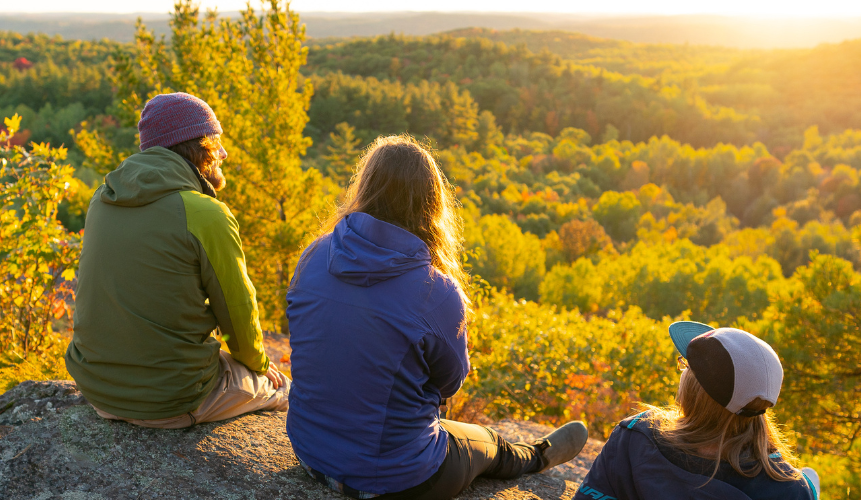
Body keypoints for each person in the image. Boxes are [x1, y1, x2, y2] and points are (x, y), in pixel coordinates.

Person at [286, 135, 588, 499]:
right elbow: (450, 384)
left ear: (365, 187)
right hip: (398, 480)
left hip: (310, 453)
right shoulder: (436, 291)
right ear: (431, 204)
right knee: (486, 442)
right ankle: (536, 456)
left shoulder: (314, 254)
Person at [65, 92, 289, 429]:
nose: (224, 153)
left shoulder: (103, 199)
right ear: (198, 148)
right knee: (287, 388)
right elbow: (237, 312)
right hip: (170, 399)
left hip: (97, 390)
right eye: (216, 142)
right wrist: (257, 364)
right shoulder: (205, 214)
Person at [574, 321, 821, 500]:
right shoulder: (786, 489)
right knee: (807, 483)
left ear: (693, 391)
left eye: (686, 366)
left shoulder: (635, 438)